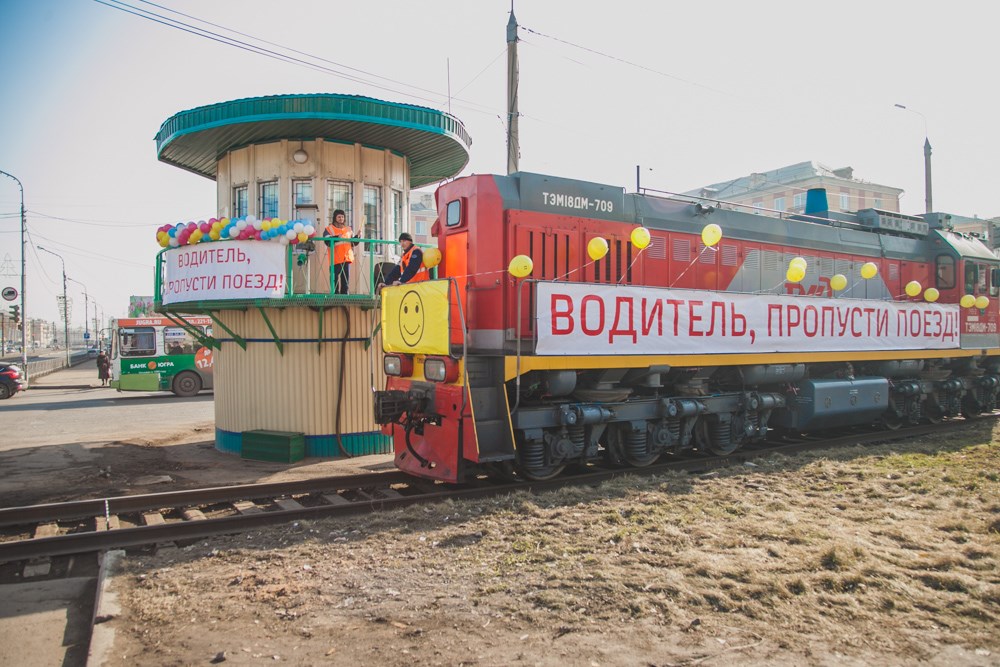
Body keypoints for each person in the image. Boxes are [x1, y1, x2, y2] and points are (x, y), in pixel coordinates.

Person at [324, 209, 360, 295]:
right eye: (339, 217)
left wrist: (357, 236)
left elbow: (353, 243)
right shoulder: (329, 229)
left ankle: (344, 294)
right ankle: (335, 294)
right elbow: (327, 241)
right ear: (335, 218)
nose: (341, 218)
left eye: (342, 217)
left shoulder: (348, 229)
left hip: (346, 257)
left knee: (345, 278)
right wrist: (336, 237)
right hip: (335, 258)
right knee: (334, 278)